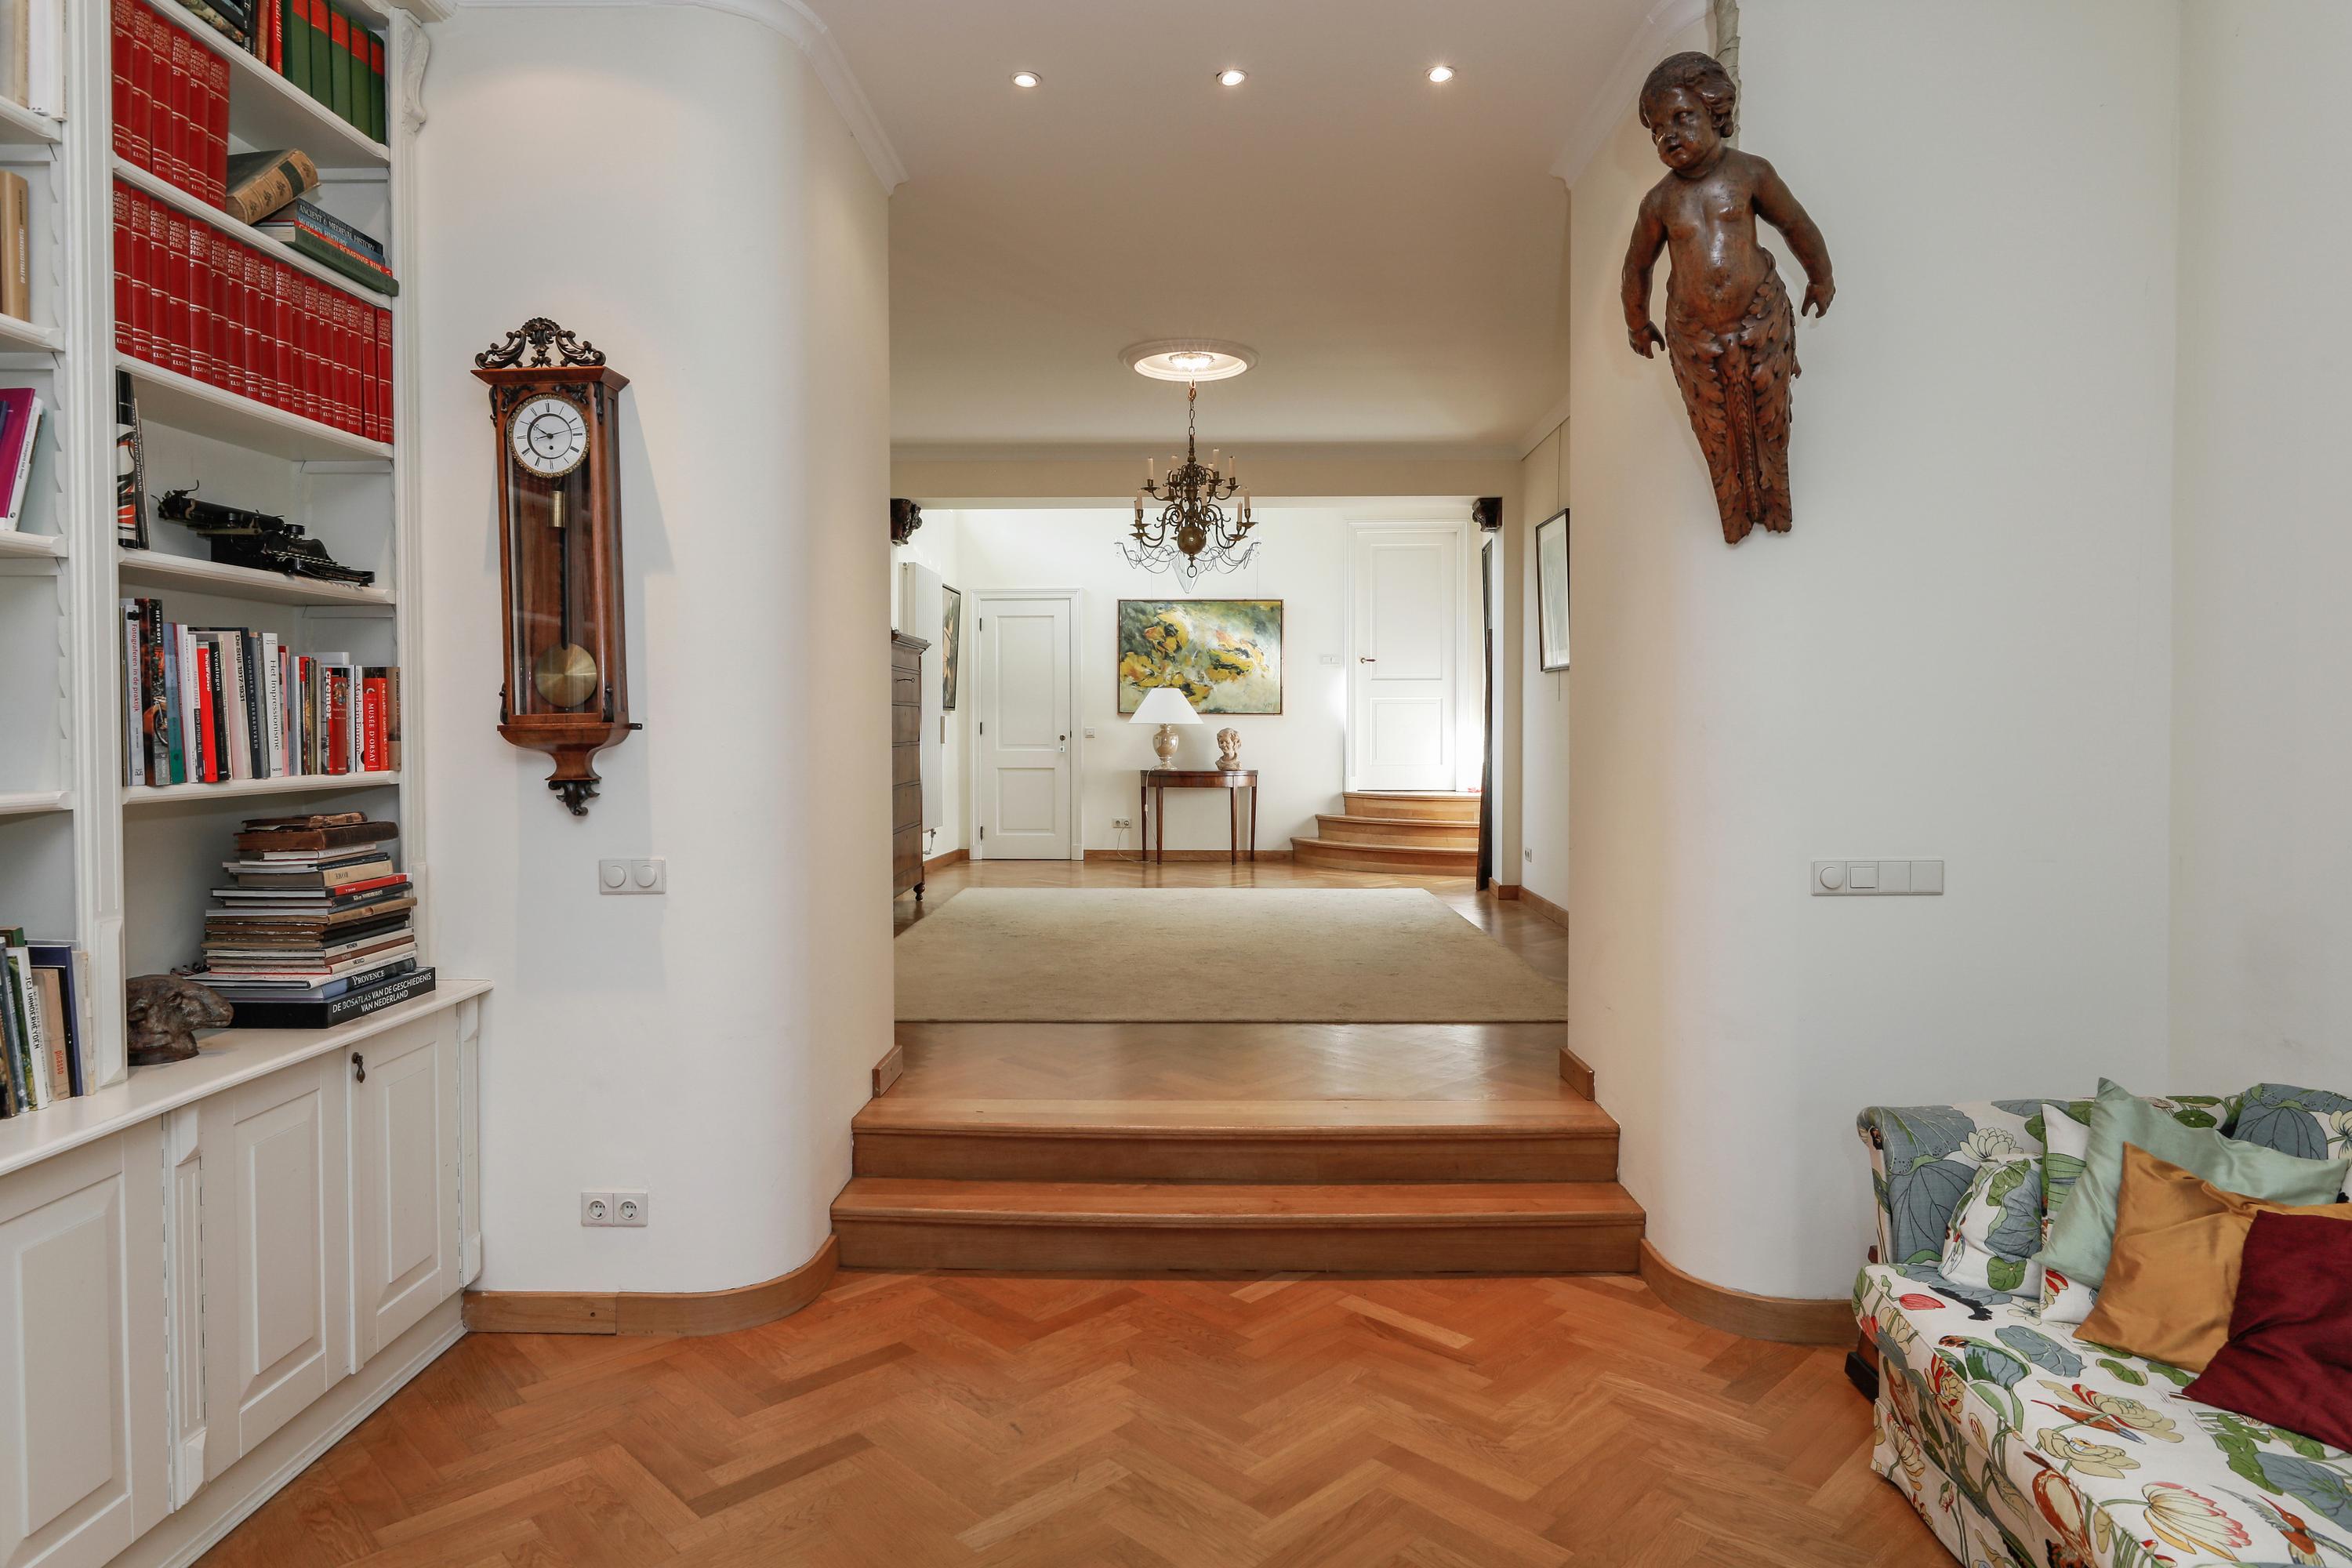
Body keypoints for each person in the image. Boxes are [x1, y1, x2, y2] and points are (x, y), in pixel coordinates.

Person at [1621, 52, 1834, 543]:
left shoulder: (1751, 173)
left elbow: (1795, 224)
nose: (1669, 135)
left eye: (1682, 117)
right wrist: (1636, 322)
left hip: (1761, 318)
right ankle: (1734, 515)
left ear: (1715, 111)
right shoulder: (1659, 201)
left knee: (1771, 419)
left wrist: (1820, 277)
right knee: (1714, 431)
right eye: (1657, 130)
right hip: (1694, 334)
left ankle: (1776, 504)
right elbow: (1637, 266)